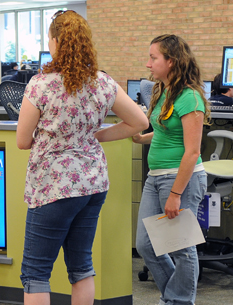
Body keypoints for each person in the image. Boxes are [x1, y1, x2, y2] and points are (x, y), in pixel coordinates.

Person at [16, 10, 148, 305]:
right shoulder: (103, 83)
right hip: (93, 183)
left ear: (53, 41)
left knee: (36, 272)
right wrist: (96, 135)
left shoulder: (40, 85)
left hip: (53, 187)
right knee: (81, 266)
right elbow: (139, 122)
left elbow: (23, 141)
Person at [132, 34, 210, 305]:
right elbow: (167, 131)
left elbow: (192, 150)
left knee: (181, 248)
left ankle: (178, 301)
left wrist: (176, 193)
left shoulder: (190, 97)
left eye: (153, 58)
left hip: (180, 180)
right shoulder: (164, 91)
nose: (148, 64)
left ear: (171, 62)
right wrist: (143, 138)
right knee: (145, 245)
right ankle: (173, 297)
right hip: (155, 178)